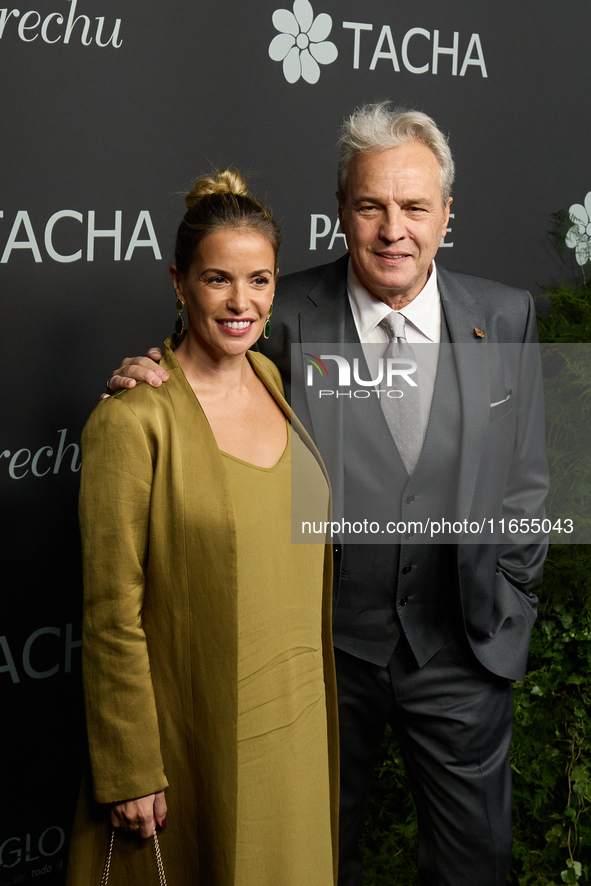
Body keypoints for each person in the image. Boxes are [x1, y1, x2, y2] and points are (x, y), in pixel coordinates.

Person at [106, 103, 548, 886]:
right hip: (320, 655)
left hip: (462, 648)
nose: (392, 230)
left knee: (476, 867)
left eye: (414, 207)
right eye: (370, 205)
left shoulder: (505, 316)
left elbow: (525, 479)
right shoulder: (281, 313)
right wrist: (149, 375)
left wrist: (508, 599)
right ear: (341, 212)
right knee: (309, 859)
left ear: (447, 214)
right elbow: (204, 368)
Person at [67, 169, 339, 886]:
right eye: (217, 279)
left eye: (259, 280)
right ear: (179, 283)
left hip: (295, 729)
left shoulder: (274, 381)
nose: (240, 302)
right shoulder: (131, 419)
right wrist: (129, 767)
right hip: (196, 739)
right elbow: (108, 613)